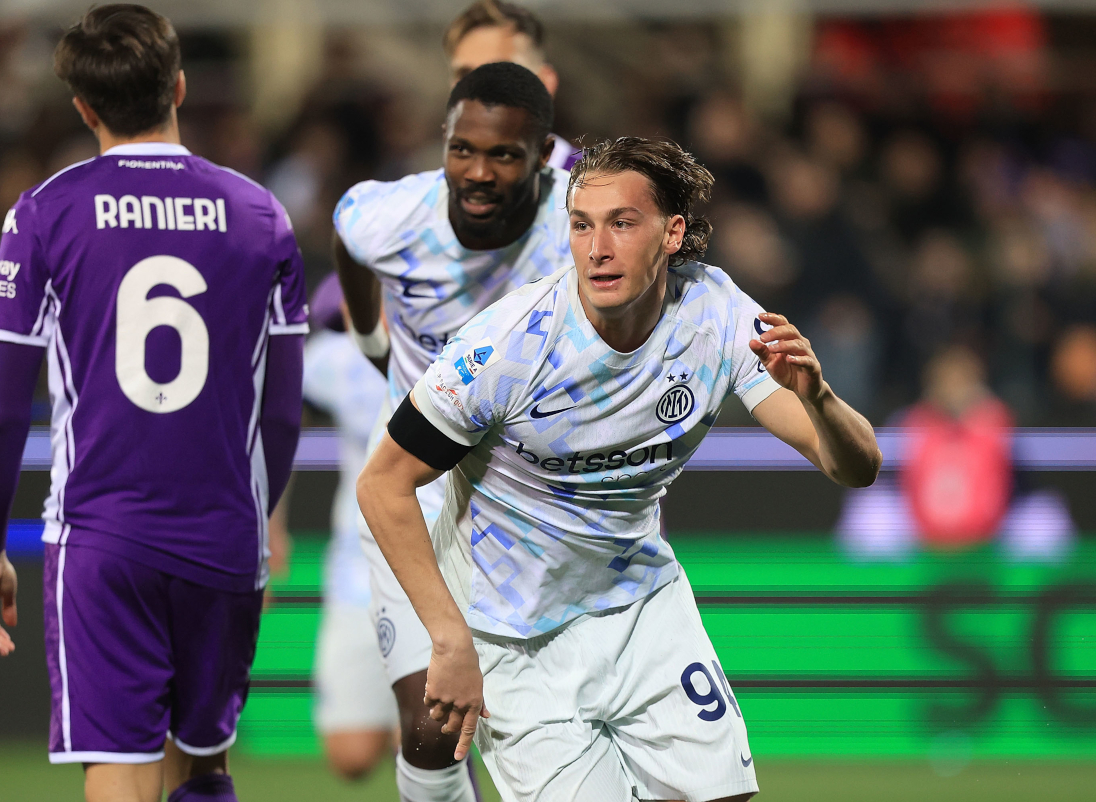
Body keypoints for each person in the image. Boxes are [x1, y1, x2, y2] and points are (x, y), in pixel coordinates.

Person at [357, 137, 883, 802]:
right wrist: (448, 638)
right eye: (582, 225)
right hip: (513, 637)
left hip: (641, 609)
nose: (597, 248)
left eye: (622, 223)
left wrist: (819, 397)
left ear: (672, 233)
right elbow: (383, 483)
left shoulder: (716, 314)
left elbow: (855, 466)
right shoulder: (507, 348)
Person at [0, 6, 307, 802]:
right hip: (223, 535)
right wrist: (258, 519)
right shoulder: (262, 215)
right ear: (179, 87)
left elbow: (2, 411)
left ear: (84, 108)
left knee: (119, 766)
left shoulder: (43, 214)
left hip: (102, 538)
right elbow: (283, 414)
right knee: (205, 762)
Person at [334, 62, 573, 801]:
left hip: (535, 503)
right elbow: (349, 242)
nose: (477, 172)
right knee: (435, 724)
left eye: (503, 155)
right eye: (462, 149)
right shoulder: (386, 217)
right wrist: (372, 340)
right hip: (416, 489)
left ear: (543, 155)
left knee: (556, 730)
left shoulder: (581, 228)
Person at [303, 274, 398, 778]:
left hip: (441, 569)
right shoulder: (333, 360)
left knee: (429, 742)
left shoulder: (453, 349)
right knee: (351, 756)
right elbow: (268, 407)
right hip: (355, 571)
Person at [444, 0, 579, 171]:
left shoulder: (597, 183)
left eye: (502, 72)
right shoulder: (427, 187)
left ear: (545, 84)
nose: (479, 88)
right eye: (465, 75)